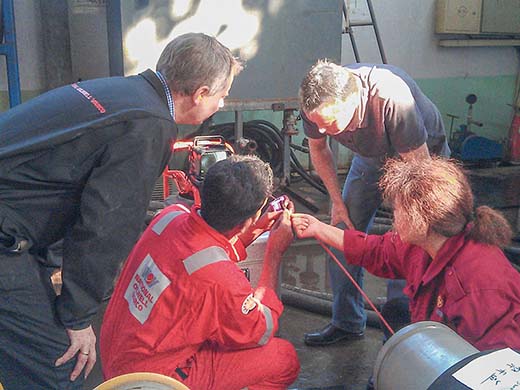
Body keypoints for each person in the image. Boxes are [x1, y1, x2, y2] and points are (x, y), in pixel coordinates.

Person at [0, 32, 241, 389]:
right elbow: (105, 225)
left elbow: (55, 181)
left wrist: (47, 266)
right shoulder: (150, 124)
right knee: (58, 368)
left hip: (15, 223)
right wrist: (78, 318)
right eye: (222, 96)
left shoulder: (119, 91)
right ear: (201, 93)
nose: (221, 104)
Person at [100, 155, 300, 389]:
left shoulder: (169, 216)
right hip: (154, 380)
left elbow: (203, 250)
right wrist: (274, 252)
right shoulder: (221, 281)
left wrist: (254, 229)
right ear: (249, 217)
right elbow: (259, 329)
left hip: (119, 356)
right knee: (283, 357)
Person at [291, 157, 520, 351]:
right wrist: (318, 228)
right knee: (396, 310)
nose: (393, 218)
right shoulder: (425, 243)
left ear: (421, 220)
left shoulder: (481, 285)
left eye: (398, 211)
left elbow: (494, 369)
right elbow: (376, 250)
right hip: (439, 349)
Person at [298, 60, 450, 346]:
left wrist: (405, 221)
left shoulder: (392, 98)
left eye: (330, 124)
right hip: (372, 156)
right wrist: (336, 201)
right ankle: (346, 321)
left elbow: (419, 174)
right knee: (341, 231)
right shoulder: (315, 104)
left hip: (422, 159)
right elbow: (318, 149)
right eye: (318, 124)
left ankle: (400, 334)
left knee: (409, 241)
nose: (325, 131)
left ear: (352, 102)